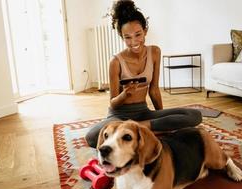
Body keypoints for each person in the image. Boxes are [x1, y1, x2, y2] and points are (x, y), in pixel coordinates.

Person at [85, 0, 202, 148]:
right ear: (122, 36)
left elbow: (153, 90)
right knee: (92, 137)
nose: (133, 41)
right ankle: (142, 130)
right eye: (127, 37)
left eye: (138, 34)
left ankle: (137, 128)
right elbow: (113, 103)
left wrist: (164, 119)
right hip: (119, 116)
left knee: (194, 115)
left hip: (144, 114)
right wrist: (125, 94)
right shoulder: (115, 62)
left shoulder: (154, 52)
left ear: (145, 31)